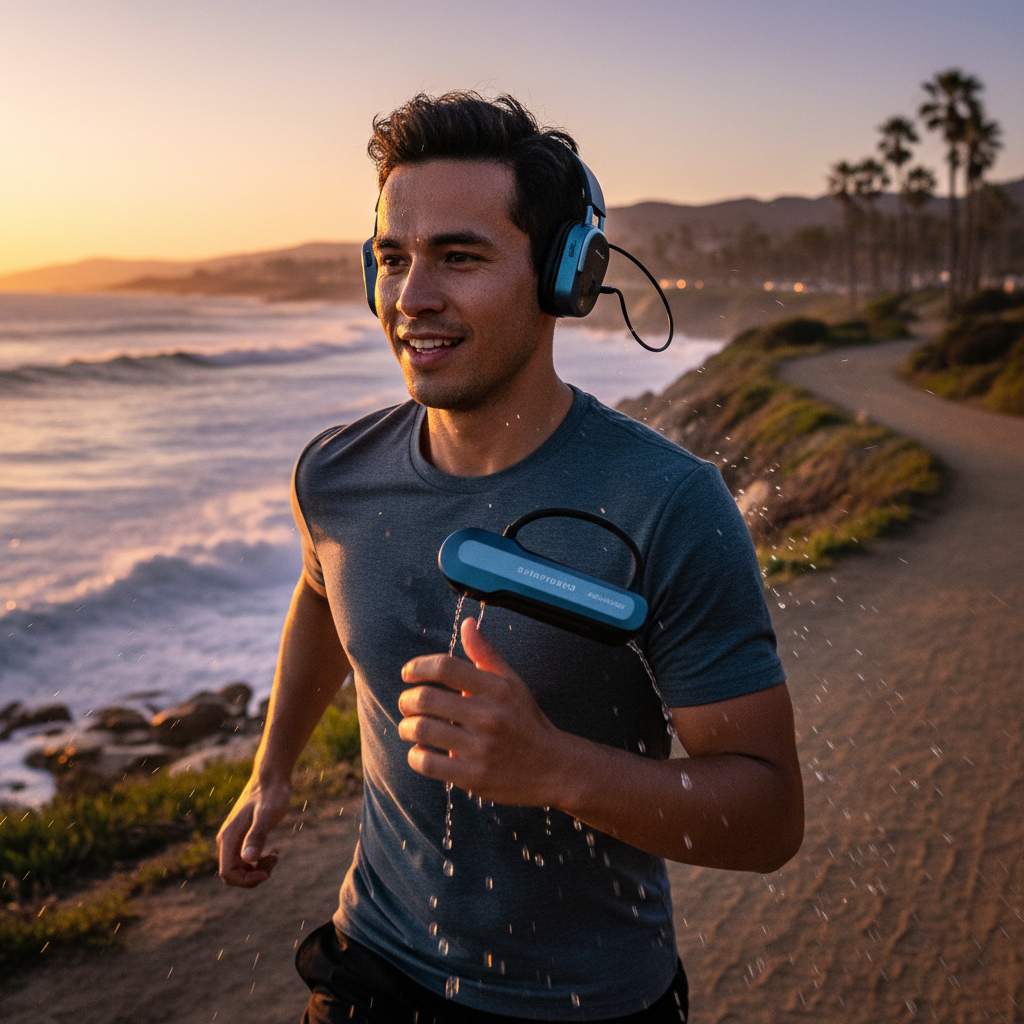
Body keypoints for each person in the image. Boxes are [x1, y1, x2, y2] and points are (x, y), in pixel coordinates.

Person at [217, 92, 804, 1023]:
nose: (412, 297)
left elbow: (769, 817)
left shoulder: (668, 504)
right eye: (392, 259)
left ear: (567, 274)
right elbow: (322, 590)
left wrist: (554, 767)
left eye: (459, 256)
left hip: (588, 1004)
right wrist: (272, 766)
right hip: (371, 967)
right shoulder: (335, 472)